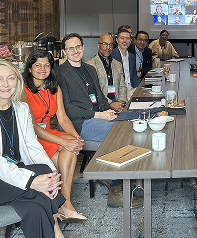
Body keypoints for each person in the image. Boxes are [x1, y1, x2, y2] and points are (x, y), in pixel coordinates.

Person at [56, 33, 123, 208]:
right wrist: (100, 116)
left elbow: (100, 98)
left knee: (127, 124)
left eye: (78, 47)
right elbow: (68, 109)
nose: (75, 51)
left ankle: (115, 175)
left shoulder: (90, 69)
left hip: (99, 117)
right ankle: (116, 191)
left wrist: (109, 111)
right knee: (118, 133)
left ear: (84, 48)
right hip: (79, 123)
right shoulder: (60, 73)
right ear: (64, 51)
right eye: (70, 48)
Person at [0, 60, 66, 238]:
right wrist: (31, 182)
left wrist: (52, 174)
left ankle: (54, 230)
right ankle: (56, 229)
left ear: (18, 81)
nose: (5, 84)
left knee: (35, 209)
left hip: (14, 172)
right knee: (39, 191)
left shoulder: (21, 109)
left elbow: (32, 145)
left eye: (11, 78)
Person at [22, 49, 87, 223]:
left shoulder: (54, 87)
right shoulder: (23, 90)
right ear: (29, 68)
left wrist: (75, 137)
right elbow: (32, 127)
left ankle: (62, 203)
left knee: (71, 148)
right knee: (69, 148)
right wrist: (64, 141)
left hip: (48, 132)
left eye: (47, 65)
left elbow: (63, 118)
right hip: (31, 135)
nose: (43, 68)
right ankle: (65, 204)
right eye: (38, 65)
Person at [86, 34, 127, 105]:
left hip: (118, 103)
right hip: (101, 105)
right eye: (104, 44)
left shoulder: (117, 64)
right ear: (98, 46)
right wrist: (111, 104)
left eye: (111, 44)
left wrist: (121, 102)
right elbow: (94, 91)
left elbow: (122, 86)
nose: (108, 47)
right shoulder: (90, 65)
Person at [111, 25, 134, 97]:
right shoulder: (111, 55)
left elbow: (134, 76)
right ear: (117, 40)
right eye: (122, 38)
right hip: (119, 91)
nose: (125, 41)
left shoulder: (132, 56)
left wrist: (137, 87)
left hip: (132, 89)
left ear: (130, 41)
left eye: (127, 38)